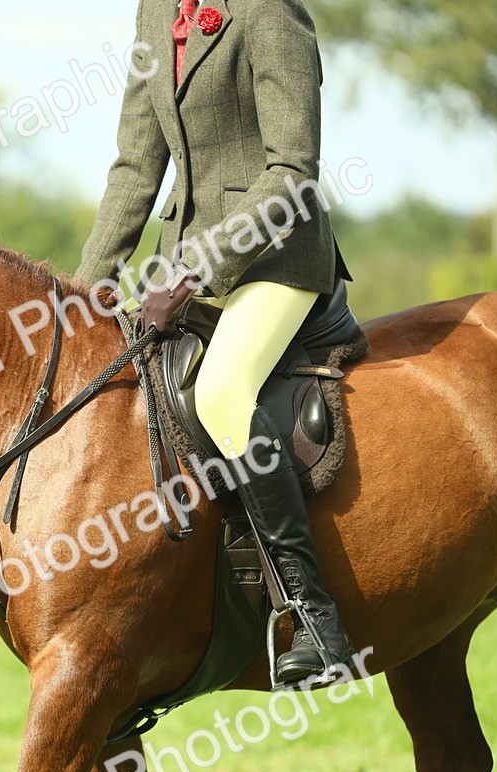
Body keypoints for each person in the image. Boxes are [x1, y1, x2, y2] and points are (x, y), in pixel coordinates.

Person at [76, 0, 354, 682]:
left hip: (277, 260)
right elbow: (135, 170)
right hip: (184, 266)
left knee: (223, 392)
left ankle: (315, 617)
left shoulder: (268, 13)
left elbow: (292, 170)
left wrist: (197, 269)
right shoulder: (154, 17)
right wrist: (82, 295)